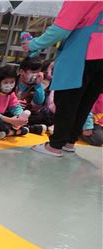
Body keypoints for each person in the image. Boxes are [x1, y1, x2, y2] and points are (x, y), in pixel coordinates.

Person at [26, 1, 103, 156]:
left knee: (67, 100)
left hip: (82, 52)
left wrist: (34, 44)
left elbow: (61, 29)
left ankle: (55, 145)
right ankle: (69, 142)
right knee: (86, 101)